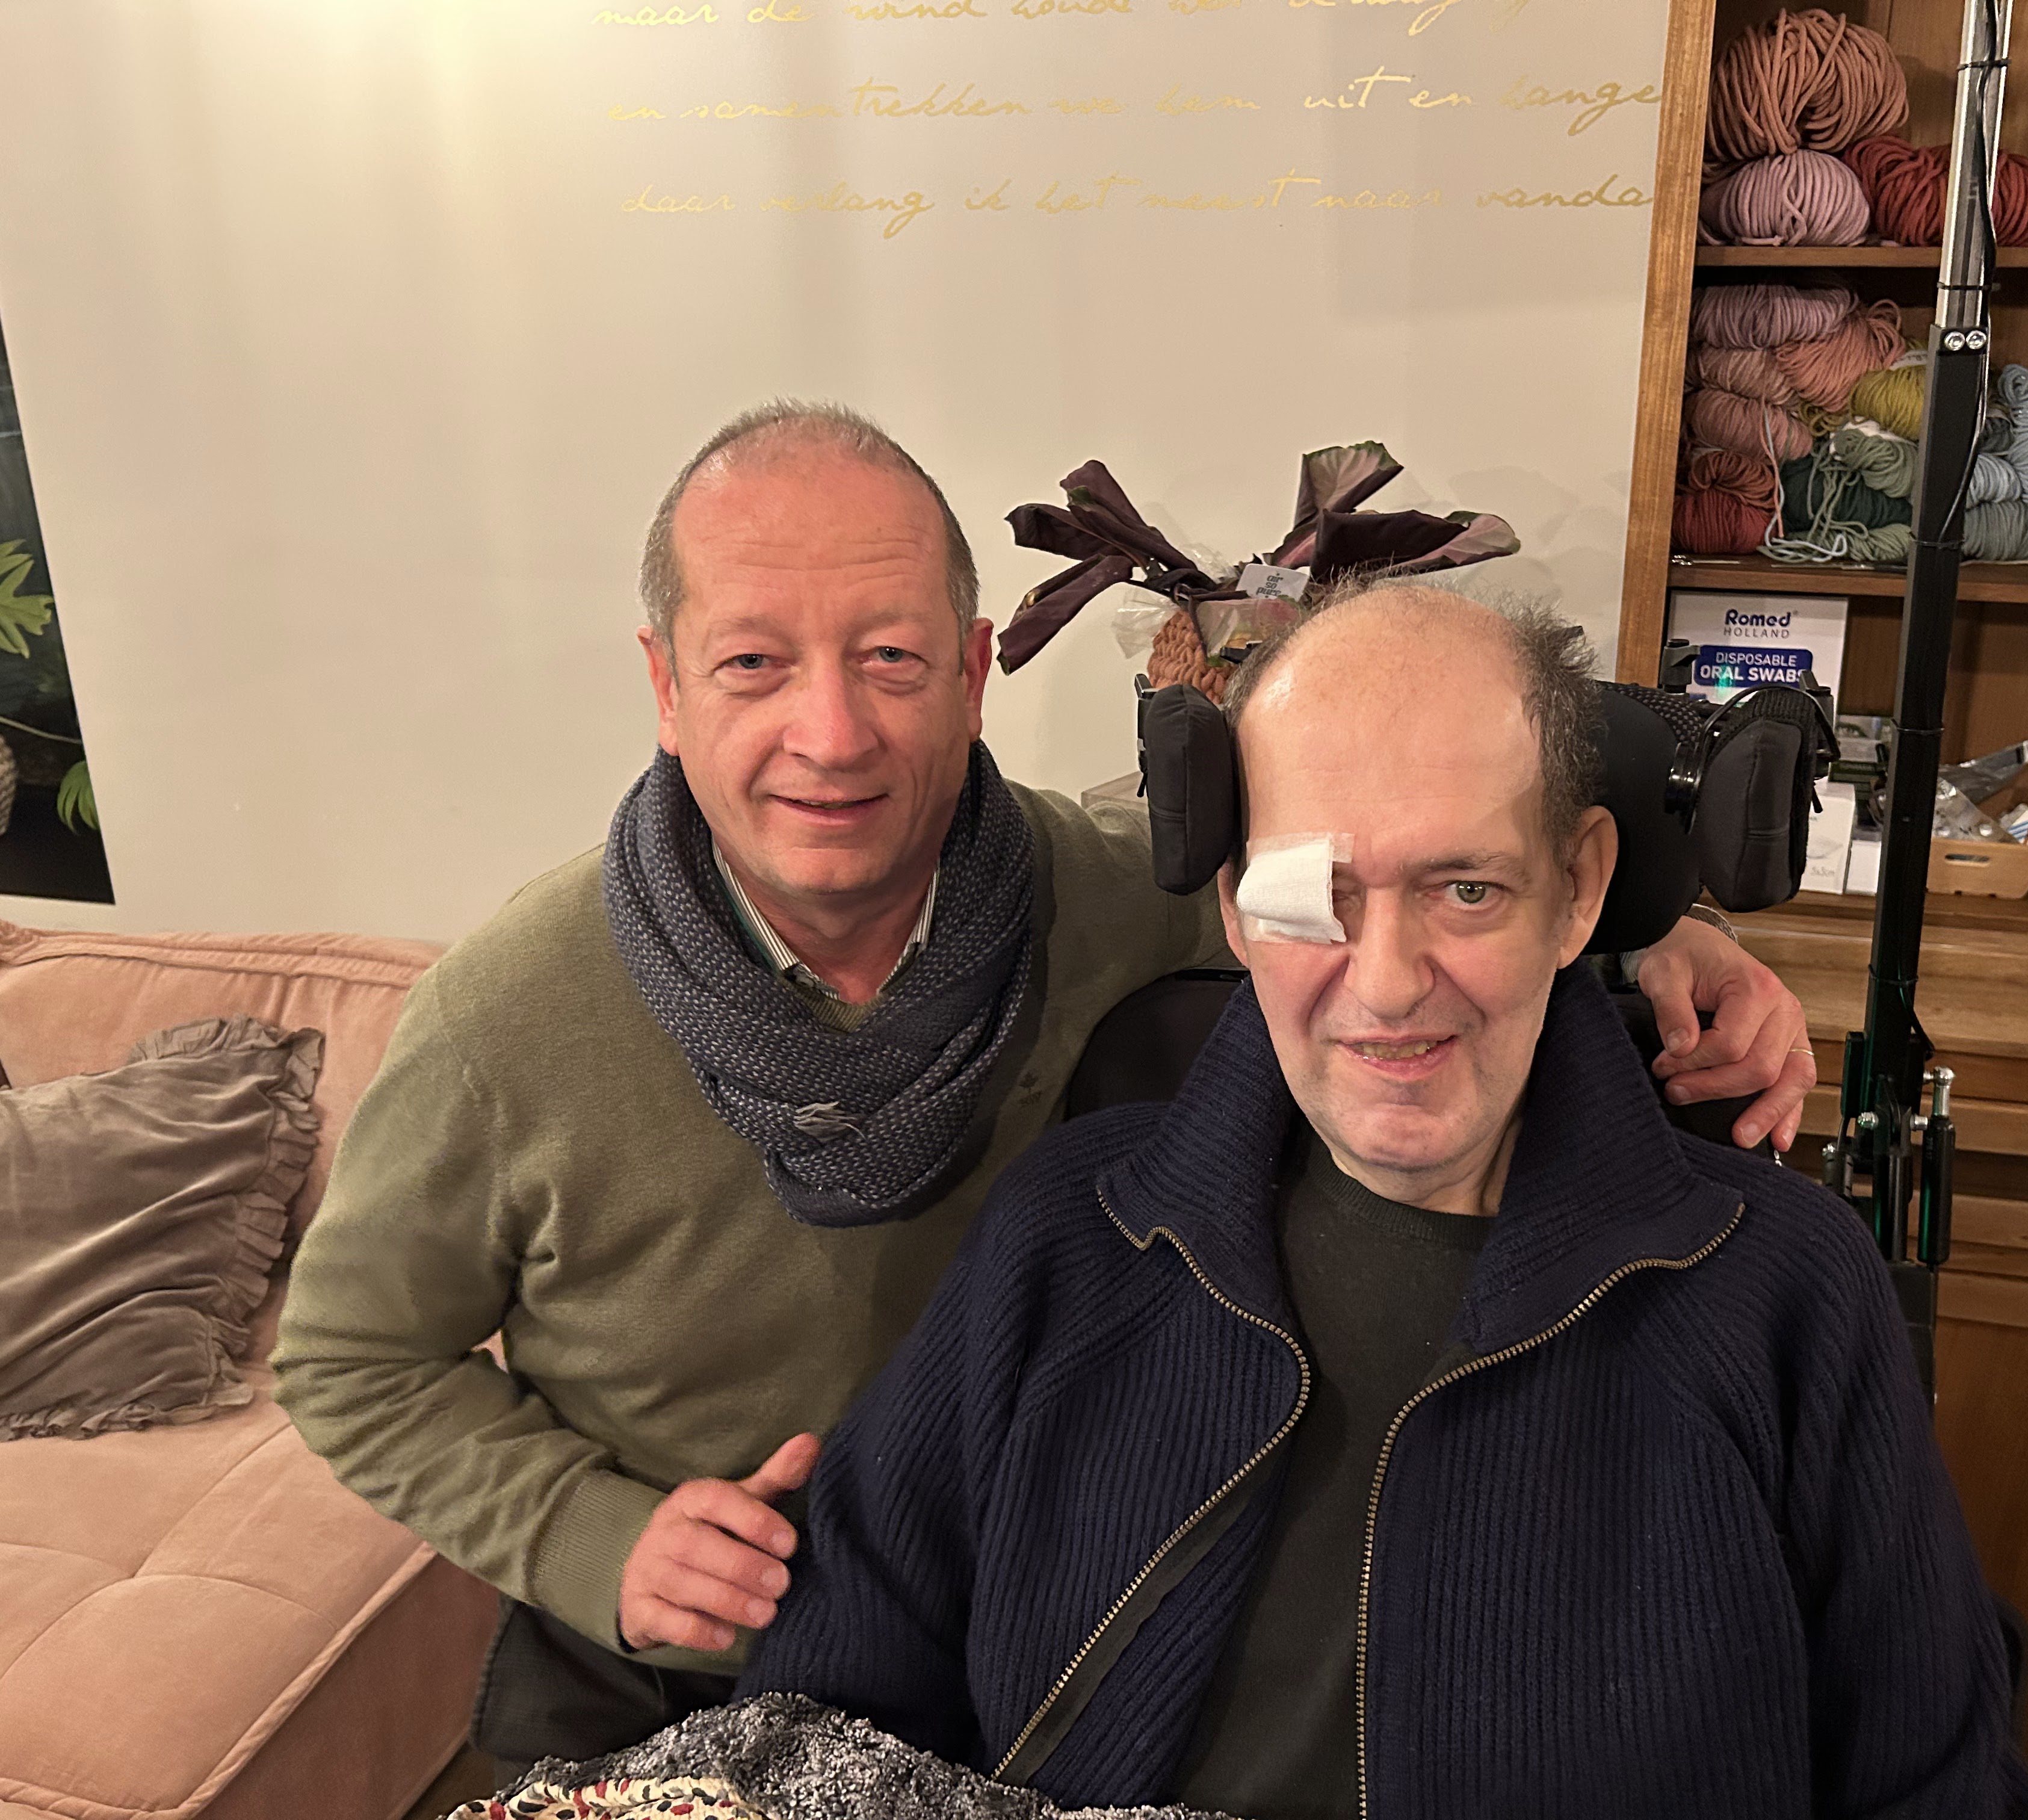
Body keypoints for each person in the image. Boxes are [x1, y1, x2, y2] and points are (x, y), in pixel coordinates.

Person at [270, 402, 1819, 1777]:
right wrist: (592, 1539)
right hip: (680, 1658)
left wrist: (1652, 936)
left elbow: (1363, 896)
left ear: (972, 675)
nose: (832, 734)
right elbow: (350, 1361)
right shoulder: (506, 1020)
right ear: (667, 688)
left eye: (890, 659)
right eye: (753, 664)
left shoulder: (1106, 895)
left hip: (1014, 1631)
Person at [740, 582, 2028, 1818]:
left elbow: (1942, 1789)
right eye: (1316, 896)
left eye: (1466, 890)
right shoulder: (1066, 1237)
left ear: (1579, 891)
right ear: (1238, 904)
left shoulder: (1785, 1293)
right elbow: (821, 1707)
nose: (1386, 982)